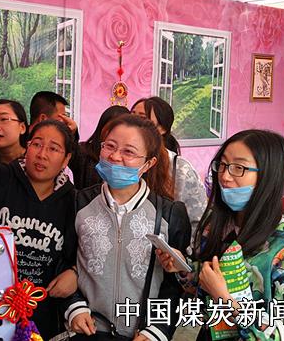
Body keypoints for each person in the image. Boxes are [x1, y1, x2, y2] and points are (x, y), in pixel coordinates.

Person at [157, 129, 284, 340]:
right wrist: (183, 269)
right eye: (223, 165)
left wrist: (227, 302)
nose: (225, 176)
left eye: (239, 168)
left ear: (268, 176)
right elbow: (204, 287)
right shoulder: (216, 226)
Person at [65, 114, 191, 340]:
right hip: (89, 330)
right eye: (110, 146)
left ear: (149, 163)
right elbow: (64, 263)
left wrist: (157, 330)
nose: (115, 157)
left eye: (129, 152)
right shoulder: (78, 203)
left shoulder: (169, 214)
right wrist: (75, 307)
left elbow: (173, 286)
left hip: (141, 334)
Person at [0, 120, 78, 340]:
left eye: (53, 148)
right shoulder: (3, 177)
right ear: (27, 146)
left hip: (39, 306)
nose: (42, 154)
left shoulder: (72, 201)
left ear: (66, 159)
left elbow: (74, 253)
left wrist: (74, 273)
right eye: (36, 144)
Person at [132, 97, 207, 237]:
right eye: (131, 115)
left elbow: (197, 222)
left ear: (162, 129)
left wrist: (180, 249)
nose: (132, 123)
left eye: (142, 118)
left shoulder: (181, 170)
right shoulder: (122, 162)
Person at [70, 105, 129, 189]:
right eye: (111, 128)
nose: (116, 134)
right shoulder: (83, 152)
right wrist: (71, 134)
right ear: (102, 128)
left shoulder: (130, 159)